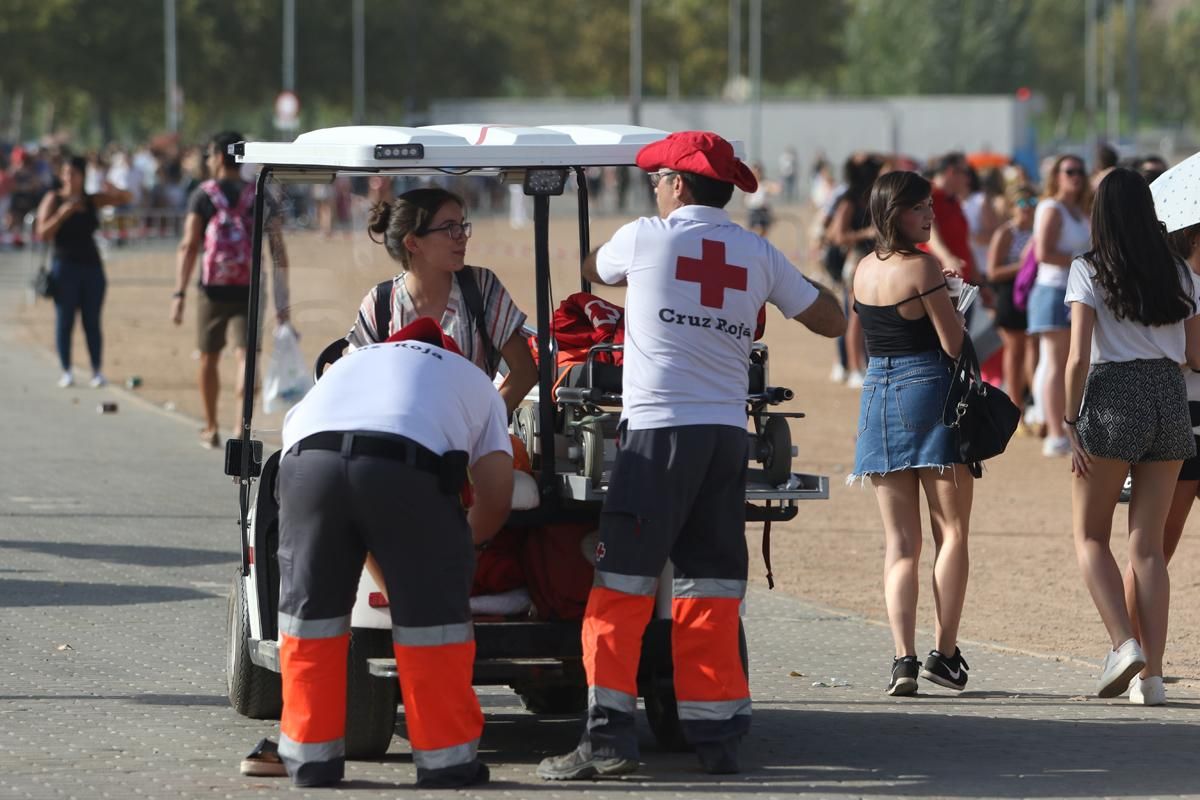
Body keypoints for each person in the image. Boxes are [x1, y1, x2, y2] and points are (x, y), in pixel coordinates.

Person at [537, 131, 845, 781]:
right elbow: (830, 320)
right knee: (711, 586)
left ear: (679, 184)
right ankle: (718, 737)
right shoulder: (755, 252)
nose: (653, 187)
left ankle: (608, 736)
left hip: (660, 435)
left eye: (658, 179)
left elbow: (595, 270)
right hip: (725, 438)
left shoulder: (650, 236)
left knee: (621, 584)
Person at [268, 317, 512, 788]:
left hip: (305, 468)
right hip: (403, 470)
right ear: (450, 352)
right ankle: (446, 763)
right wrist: (461, 553)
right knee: (433, 628)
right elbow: (497, 493)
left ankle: (309, 759)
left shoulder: (349, 363)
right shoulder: (472, 379)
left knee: (310, 619)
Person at [1063, 168, 1200, 705]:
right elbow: (1193, 355)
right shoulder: (1180, 273)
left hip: (1114, 393)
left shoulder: (1089, 269)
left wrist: (1069, 421)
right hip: (1169, 395)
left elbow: (1077, 356)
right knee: (1148, 548)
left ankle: (1124, 643)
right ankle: (1155, 677)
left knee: (1091, 536)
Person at [846, 170, 972, 697]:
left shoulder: (861, 269)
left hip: (877, 393)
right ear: (895, 210)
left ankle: (902, 659)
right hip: (927, 390)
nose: (930, 215)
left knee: (900, 543)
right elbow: (951, 343)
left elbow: (865, 337)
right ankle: (944, 654)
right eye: (921, 208)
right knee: (952, 532)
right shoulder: (922, 267)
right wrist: (956, 298)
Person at [346, 187, 537, 416]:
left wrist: (486, 428)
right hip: (400, 439)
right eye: (449, 228)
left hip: (469, 440)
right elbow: (351, 379)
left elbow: (524, 370)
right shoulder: (379, 303)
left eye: (462, 225)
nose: (462, 236)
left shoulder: (481, 286)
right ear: (413, 243)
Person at [171, 131, 290, 449]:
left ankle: (210, 427)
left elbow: (189, 245)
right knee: (246, 358)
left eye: (209, 155)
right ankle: (241, 425)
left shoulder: (203, 195)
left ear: (220, 157)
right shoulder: (261, 194)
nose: (207, 161)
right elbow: (278, 250)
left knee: (208, 357)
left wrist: (179, 294)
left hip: (212, 289)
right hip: (250, 286)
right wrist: (283, 302)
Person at [1122, 221, 1200, 696]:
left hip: (1182, 416)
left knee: (1151, 547)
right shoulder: (1179, 284)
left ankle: (1137, 658)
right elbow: (1190, 355)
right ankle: (1138, 658)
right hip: (1185, 417)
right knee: (1153, 548)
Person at [35, 155, 131, 388]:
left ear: (82, 176)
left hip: (92, 267)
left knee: (92, 321)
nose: (69, 178)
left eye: (74, 174)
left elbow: (127, 198)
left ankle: (96, 370)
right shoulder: (53, 199)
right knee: (64, 320)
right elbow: (42, 233)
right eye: (66, 173)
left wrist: (115, 189)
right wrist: (62, 214)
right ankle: (66, 370)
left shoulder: (91, 200)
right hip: (64, 267)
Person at [1028, 153, 1091, 457]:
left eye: (1080, 170)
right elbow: (1044, 253)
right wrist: (1082, 261)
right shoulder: (1051, 208)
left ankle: (1063, 428)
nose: (1076, 176)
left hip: (1075, 291)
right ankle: (1054, 431)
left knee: (1068, 361)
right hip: (1053, 289)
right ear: (1057, 175)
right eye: (1069, 171)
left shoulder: (1079, 210)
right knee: (1055, 363)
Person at [827, 154, 883, 387]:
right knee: (856, 318)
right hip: (856, 260)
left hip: (871, 259)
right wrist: (867, 233)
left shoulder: (869, 199)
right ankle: (854, 368)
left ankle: (862, 365)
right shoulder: (849, 201)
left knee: (868, 318)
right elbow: (838, 235)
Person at [986, 185, 1038, 413]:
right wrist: (1024, 266)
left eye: (1032, 203)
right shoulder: (1007, 232)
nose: (1027, 209)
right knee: (1015, 350)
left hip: (1031, 293)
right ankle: (1015, 405)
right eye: (1022, 204)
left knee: (1032, 350)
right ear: (1012, 207)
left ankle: (1031, 402)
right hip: (1009, 294)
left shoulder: (1037, 231)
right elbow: (993, 272)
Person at [922, 153, 975, 282]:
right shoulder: (928, 195)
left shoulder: (953, 201)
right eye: (966, 173)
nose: (968, 180)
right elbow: (929, 232)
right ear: (951, 172)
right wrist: (947, 258)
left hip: (958, 279)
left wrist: (978, 281)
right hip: (937, 278)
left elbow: (964, 242)